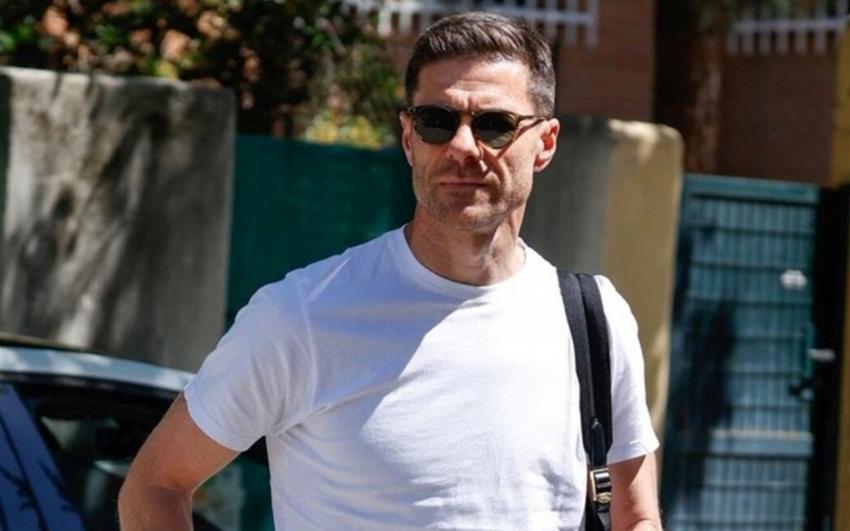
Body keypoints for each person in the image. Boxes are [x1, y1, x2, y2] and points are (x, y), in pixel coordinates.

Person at [118, 11, 662, 530]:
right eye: (436, 122)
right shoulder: (301, 316)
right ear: (408, 138)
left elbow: (636, 516)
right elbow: (156, 485)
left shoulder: (593, 319)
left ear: (545, 143)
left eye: (494, 125)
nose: (462, 147)